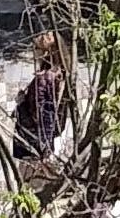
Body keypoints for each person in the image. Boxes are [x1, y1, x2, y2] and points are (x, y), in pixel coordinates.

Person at [11, 27, 75, 177]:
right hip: (41, 138)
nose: (34, 52)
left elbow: (46, 114)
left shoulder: (45, 79)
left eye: (37, 48)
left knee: (28, 178)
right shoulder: (61, 74)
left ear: (47, 53)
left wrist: (22, 103)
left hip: (32, 138)